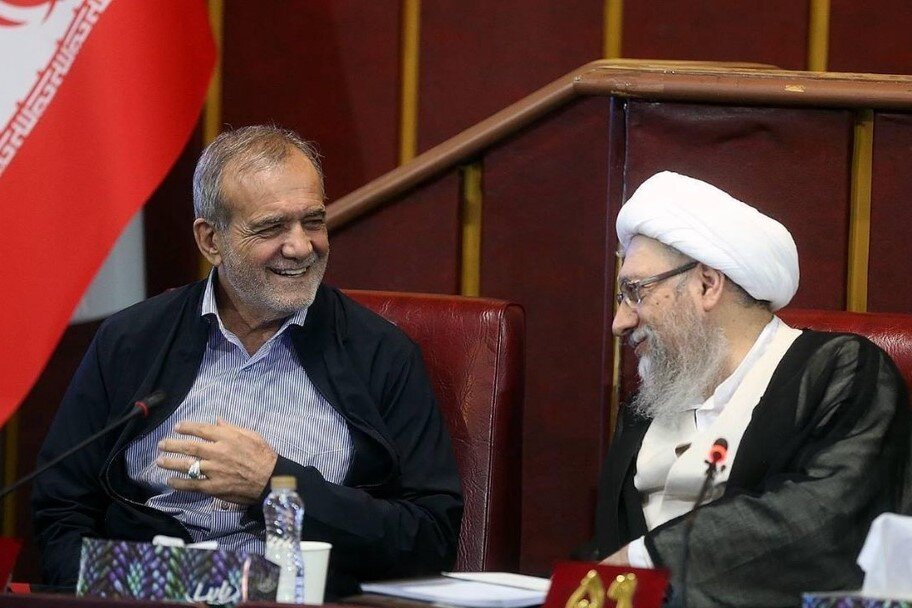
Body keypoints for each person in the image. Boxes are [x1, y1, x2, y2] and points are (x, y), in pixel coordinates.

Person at [32, 125, 463, 597]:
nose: (301, 246)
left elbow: (430, 538)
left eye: (313, 221)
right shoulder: (131, 341)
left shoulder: (381, 353)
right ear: (211, 240)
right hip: (149, 593)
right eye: (271, 227)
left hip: (300, 599)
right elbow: (61, 509)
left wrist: (275, 486)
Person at [576, 171, 910, 607]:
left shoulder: (840, 370)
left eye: (635, 292)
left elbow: (829, 519)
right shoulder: (646, 406)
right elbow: (608, 548)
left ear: (706, 284)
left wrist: (644, 561)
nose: (620, 322)